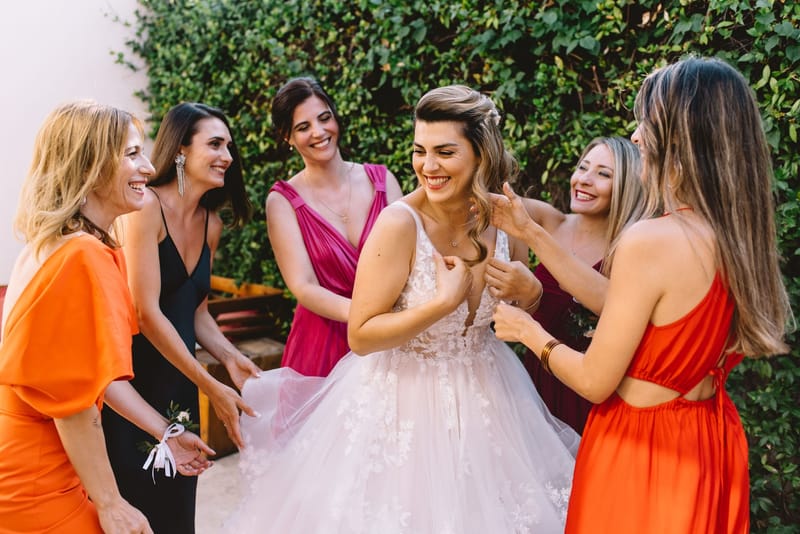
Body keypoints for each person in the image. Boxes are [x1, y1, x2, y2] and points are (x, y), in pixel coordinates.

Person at [226, 85, 578, 533]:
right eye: (420, 151)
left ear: (481, 154)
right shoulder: (399, 223)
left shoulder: (505, 218)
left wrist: (530, 293)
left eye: (445, 152)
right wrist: (442, 303)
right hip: (404, 408)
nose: (428, 166)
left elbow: (511, 314)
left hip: (491, 395)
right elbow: (361, 333)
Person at [492, 56, 791, 533]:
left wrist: (527, 331)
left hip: (642, 449)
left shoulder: (650, 240)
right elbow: (625, 303)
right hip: (705, 442)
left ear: (682, 138)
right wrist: (533, 232)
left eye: (646, 124)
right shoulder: (735, 235)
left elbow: (594, 381)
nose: (635, 137)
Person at [0, 101, 213, 533]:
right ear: (91, 163)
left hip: (42, 456)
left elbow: (97, 379)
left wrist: (166, 433)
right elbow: (73, 405)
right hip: (39, 471)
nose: (149, 167)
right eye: (132, 154)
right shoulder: (81, 255)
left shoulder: (63, 244)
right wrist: (111, 502)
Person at [102, 102, 260, 533]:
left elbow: (197, 310)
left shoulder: (211, 222)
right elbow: (145, 312)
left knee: (176, 510)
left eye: (229, 145)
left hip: (179, 387)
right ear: (180, 152)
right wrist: (211, 383)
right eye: (214, 144)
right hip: (133, 385)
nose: (227, 155)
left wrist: (228, 357)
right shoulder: (145, 209)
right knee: (136, 508)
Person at [485, 137, 643, 433]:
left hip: (588, 391)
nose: (584, 180)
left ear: (628, 187)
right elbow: (490, 197)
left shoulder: (628, 250)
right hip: (534, 384)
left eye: (603, 174)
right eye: (583, 167)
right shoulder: (549, 220)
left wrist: (535, 292)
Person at [266, 76, 403, 377]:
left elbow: (411, 258)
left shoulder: (382, 181)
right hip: (323, 343)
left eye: (324, 118)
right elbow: (303, 286)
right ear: (287, 137)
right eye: (303, 127)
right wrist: (363, 317)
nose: (318, 132)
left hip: (388, 337)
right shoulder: (282, 202)